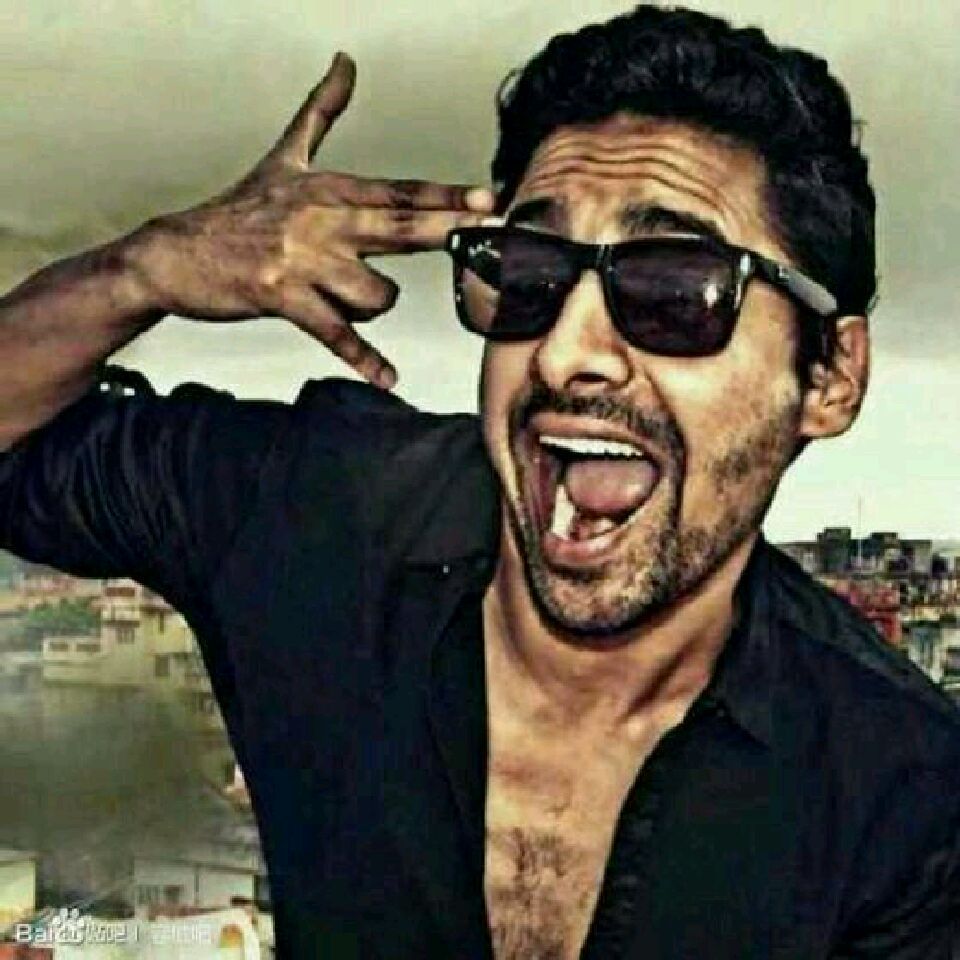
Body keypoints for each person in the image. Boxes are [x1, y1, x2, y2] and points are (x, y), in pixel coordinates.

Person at [1, 5, 957, 958]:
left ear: (829, 377)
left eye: (675, 291)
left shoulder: (900, 796)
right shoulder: (315, 511)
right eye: (529, 275)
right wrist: (142, 271)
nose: (565, 353)